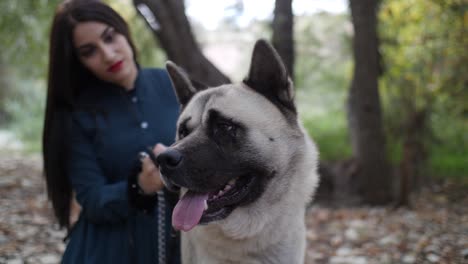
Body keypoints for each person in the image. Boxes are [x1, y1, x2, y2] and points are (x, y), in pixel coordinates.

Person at [42, 1, 181, 263]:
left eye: (110, 37)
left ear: (124, 30)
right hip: (110, 250)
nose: (107, 54)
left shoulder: (171, 82)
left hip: (183, 244)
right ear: (79, 62)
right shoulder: (78, 115)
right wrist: (139, 186)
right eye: (89, 51)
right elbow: (92, 199)